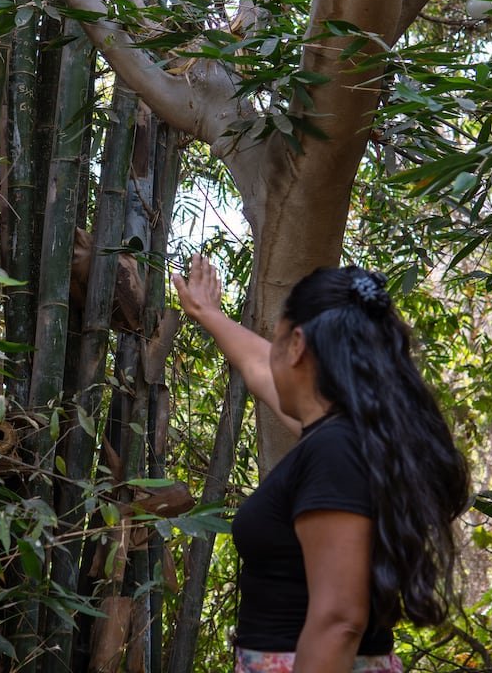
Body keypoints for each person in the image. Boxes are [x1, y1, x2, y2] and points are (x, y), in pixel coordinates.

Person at [172, 255, 469, 673]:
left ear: (297, 346)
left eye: (277, 340)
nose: (270, 356)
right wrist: (208, 314)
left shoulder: (336, 450)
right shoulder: (349, 435)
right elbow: (259, 367)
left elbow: (340, 621)